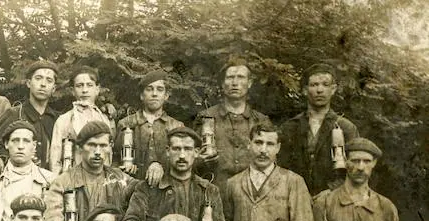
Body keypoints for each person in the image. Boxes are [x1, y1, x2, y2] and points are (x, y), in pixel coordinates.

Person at [122, 127, 228, 221]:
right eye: (176, 149)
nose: (182, 155)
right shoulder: (148, 187)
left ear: (196, 152)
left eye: (188, 149)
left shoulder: (209, 191)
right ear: (167, 151)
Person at [44, 121, 142, 221]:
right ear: (80, 147)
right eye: (92, 145)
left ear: (110, 147)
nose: (97, 151)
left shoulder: (121, 179)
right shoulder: (63, 182)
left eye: (103, 146)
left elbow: (144, 195)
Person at [195, 59, 271, 197]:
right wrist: (200, 160)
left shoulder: (260, 120)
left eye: (241, 77)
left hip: (252, 195)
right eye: (230, 77)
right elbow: (191, 156)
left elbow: (271, 162)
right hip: (215, 193)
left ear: (249, 83)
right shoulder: (206, 117)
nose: (235, 83)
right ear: (223, 83)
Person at [279, 63, 359, 195]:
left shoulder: (346, 128)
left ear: (333, 89)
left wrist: (332, 190)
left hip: (334, 200)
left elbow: (356, 168)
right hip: (294, 198)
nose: (320, 90)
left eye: (325, 85)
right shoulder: (290, 127)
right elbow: (280, 169)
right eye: (314, 85)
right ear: (305, 90)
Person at [0, 61, 59, 176]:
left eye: (49, 80)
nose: (43, 84)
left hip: (49, 181)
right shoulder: (14, 114)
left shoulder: (57, 119)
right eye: (38, 78)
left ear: (53, 88)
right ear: (28, 83)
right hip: (17, 178)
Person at [115, 70, 184, 185]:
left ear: (166, 96)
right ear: (142, 95)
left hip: (168, 191)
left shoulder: (176, 126)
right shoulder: (126, 124)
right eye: (149, 89)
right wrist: (125, 170)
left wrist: (161, 166)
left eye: (160, 89)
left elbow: (183, 162)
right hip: (132, 189)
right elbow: (114, 161)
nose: (154, 94)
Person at [48, 66, 114, 175]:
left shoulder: (104, 120)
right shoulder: (64, 120)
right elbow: (55, 158)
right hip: (71, 179)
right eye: (79, 86)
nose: (84, 90)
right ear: (73, 91)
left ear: (97, 89)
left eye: (89, 85)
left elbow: (108, 155)